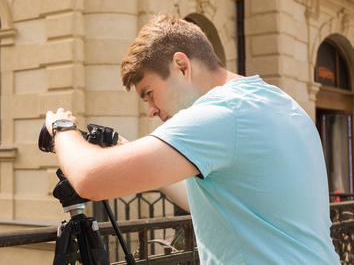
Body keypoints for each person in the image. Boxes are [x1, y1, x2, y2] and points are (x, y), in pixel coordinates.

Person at [45, 14, 340, 264]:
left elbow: (89, 179)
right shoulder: (276, 100)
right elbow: (216, 200)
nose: (151, 110)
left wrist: (61, 128)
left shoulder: (221, 113)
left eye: (149, 93)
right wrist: (126, 150)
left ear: (182, 66)